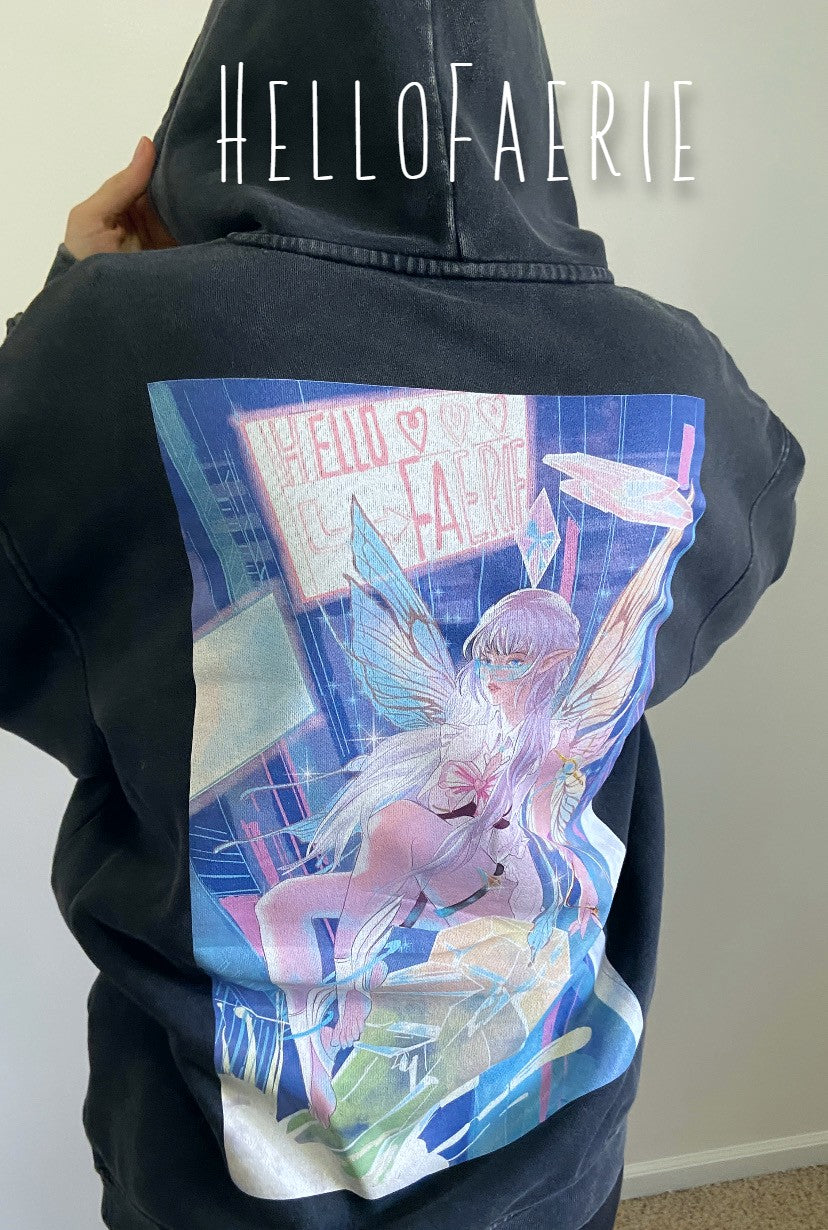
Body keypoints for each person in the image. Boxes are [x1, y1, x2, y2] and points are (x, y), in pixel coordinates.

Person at [0, 3, 804, 1230]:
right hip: (547, 1168)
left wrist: (73, 293)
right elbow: (726, 559)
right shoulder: (675, 373)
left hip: (217, 1181)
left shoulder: (113, 343)